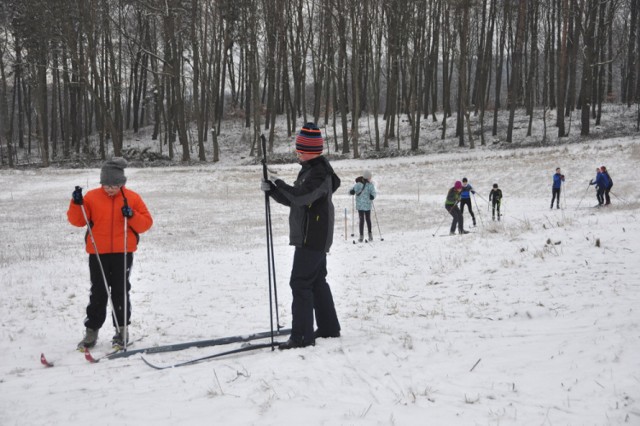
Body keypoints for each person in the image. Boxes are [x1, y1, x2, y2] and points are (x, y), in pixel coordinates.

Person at [261, 123, 341, 349]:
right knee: (316, 281)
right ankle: (328, 328)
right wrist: (273, 190)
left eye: (300, 149)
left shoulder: (319, 173)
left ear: (310, 150)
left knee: (300, 282)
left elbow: (300, 197)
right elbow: (293, 199)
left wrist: (278, 182)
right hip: (312, 234)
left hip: (313, 236)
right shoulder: (309, 169)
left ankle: (302, 337)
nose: (297, 152)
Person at [67, 158, 153, 350]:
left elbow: (146, 223)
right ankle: (91, 333)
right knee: (98, 291)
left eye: (114, 185)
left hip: (123, 252)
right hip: (98, 252)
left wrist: (131, 215)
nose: (109, 189)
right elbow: (77, 221)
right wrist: (76, 203)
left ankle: (122, 332)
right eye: (105, 184)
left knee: (120, 291)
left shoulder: (132, 198)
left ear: (122, 183)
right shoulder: (91, 197)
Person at [349, 170, 377, 242]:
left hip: (367, 205)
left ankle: (370, 235)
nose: (370, 178)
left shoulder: (370, 185)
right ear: (367, 177)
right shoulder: (358, 184)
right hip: (361, 206)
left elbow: (374, 192)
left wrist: (372, 196)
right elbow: (351, 190)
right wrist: (351, 192)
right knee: (362, 220)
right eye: (370, 177)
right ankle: (361, 236)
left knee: (368, 220)